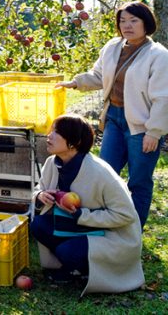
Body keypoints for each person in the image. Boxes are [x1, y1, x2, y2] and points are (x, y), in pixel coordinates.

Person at [56, 1, 168, 229]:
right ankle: (107, 223)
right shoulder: (113, 47)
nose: (127, 26)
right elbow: (99, 75)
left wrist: (154, 132)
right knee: (105, 174)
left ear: (146, 23)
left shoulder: (159, 55)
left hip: (142, 126)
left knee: (139, 181)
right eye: (123, 21)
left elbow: (163, 98)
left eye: (133, 20)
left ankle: (132, 230)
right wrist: (76, 83)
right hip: (115, 119)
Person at [30, 114, 143, 294]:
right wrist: (41, 195)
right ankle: (74, 264)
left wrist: (81, 215)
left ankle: (80, 267)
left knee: (67, 251)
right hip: (77, 228)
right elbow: (39, 188)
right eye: (51, 130)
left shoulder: (101, 173)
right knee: (38, 226)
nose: (48, 135)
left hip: (109, 234)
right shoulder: (52, 162)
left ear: (73, 142)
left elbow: (126, 215)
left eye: (56, 132)